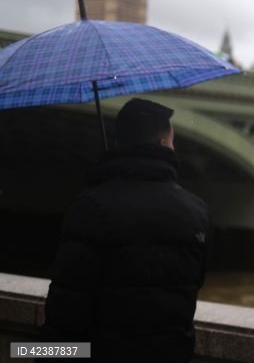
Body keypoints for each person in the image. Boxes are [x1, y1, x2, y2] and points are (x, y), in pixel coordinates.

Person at [41, 98, 210, 362]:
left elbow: (67, 308)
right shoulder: (197, 212)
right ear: (164, 144)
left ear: (119, 142)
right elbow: (194, 284)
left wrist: (33, 352)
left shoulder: (91, 208)